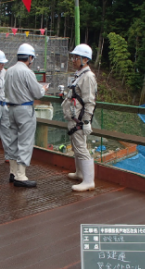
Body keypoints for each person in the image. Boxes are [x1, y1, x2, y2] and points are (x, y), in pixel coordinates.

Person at [4, 43, 48, 187]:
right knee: (25, 141)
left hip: (11, 108)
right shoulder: (27, 72)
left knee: (13, 140)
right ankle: (21, 175)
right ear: (29, 57)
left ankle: (12, 171)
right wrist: (43, 89)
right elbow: (37, 93)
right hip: (24, 109)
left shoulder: (9, 71)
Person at [62, 44, 97, 191]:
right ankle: (80, 173)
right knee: (77, 147)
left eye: (76, 57)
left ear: (85, 59)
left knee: (81, 149)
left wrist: (87, 121)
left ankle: (89, 181)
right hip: (74, 119)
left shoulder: (87, 77)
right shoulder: (79, 75)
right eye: (74, 57)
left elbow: (89, 101)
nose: (73, 60)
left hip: (79, 121)